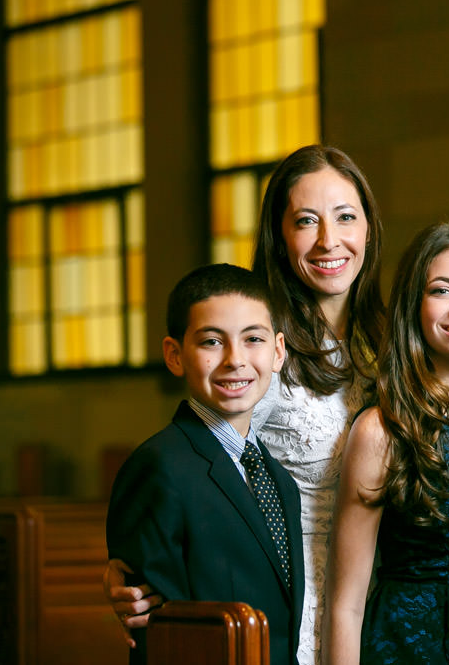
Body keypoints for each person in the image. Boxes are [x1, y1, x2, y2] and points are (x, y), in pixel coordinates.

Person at [105, 145, 386, 665]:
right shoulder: (255, 338)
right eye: (306, 221)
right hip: (284, 596)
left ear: (368, 226)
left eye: (346, 216)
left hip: (384, 593)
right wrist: (130, 569)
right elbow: (198, 466)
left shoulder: (390, 338)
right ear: (279, 236)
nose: (330, 240)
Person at [324, 221, 449, 664]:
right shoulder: (382, 430)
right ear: (414, 306)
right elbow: (346, 603)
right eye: (441, 290)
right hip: (403, 649)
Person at [106, 263, 302, 665]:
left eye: (253, 339)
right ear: (175, 355)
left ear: (278, 351)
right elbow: (159, 634)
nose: (235, 359)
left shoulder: (280, 480)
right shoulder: (158, 468)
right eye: (212, 342)